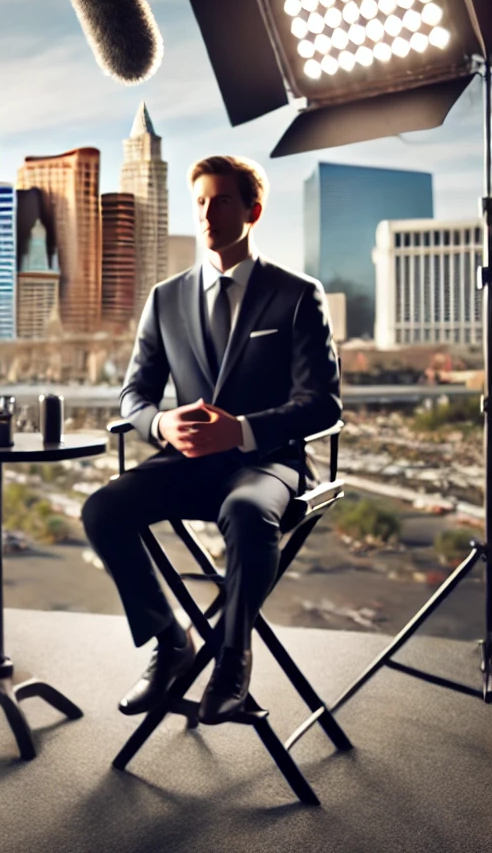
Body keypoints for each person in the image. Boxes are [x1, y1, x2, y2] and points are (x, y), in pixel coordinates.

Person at [82, 154, 340, 724]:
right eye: (200, 202)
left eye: (221, 200)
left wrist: (243, 431)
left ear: (253, 210)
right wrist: (161, 425)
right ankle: (171, 642)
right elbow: (134, 396)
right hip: (188, 463)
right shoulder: (165, 297)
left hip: (266, 466)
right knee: (102, 509)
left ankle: (231, 660)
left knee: (249, 514)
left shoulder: (298, 295)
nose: (207, 213)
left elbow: (322, 403)